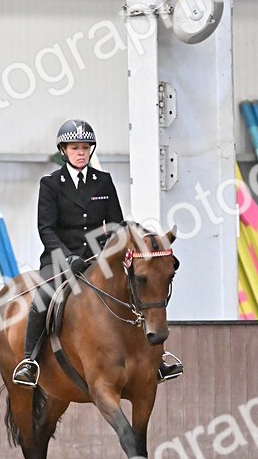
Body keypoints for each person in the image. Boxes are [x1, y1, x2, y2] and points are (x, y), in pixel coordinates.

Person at [12, 119, 183, 387]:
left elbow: (115, 224)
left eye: (85, 148)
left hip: (98, 257)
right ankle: (29, 362)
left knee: (135, 291)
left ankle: (156, 361)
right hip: (60, 258)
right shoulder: (51, 184)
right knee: (42, 298)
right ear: (64, 151)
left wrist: (112, 247)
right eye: (74, 148)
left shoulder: (103, 181)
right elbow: (46, 229)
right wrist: (67, 257)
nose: (80, 153)